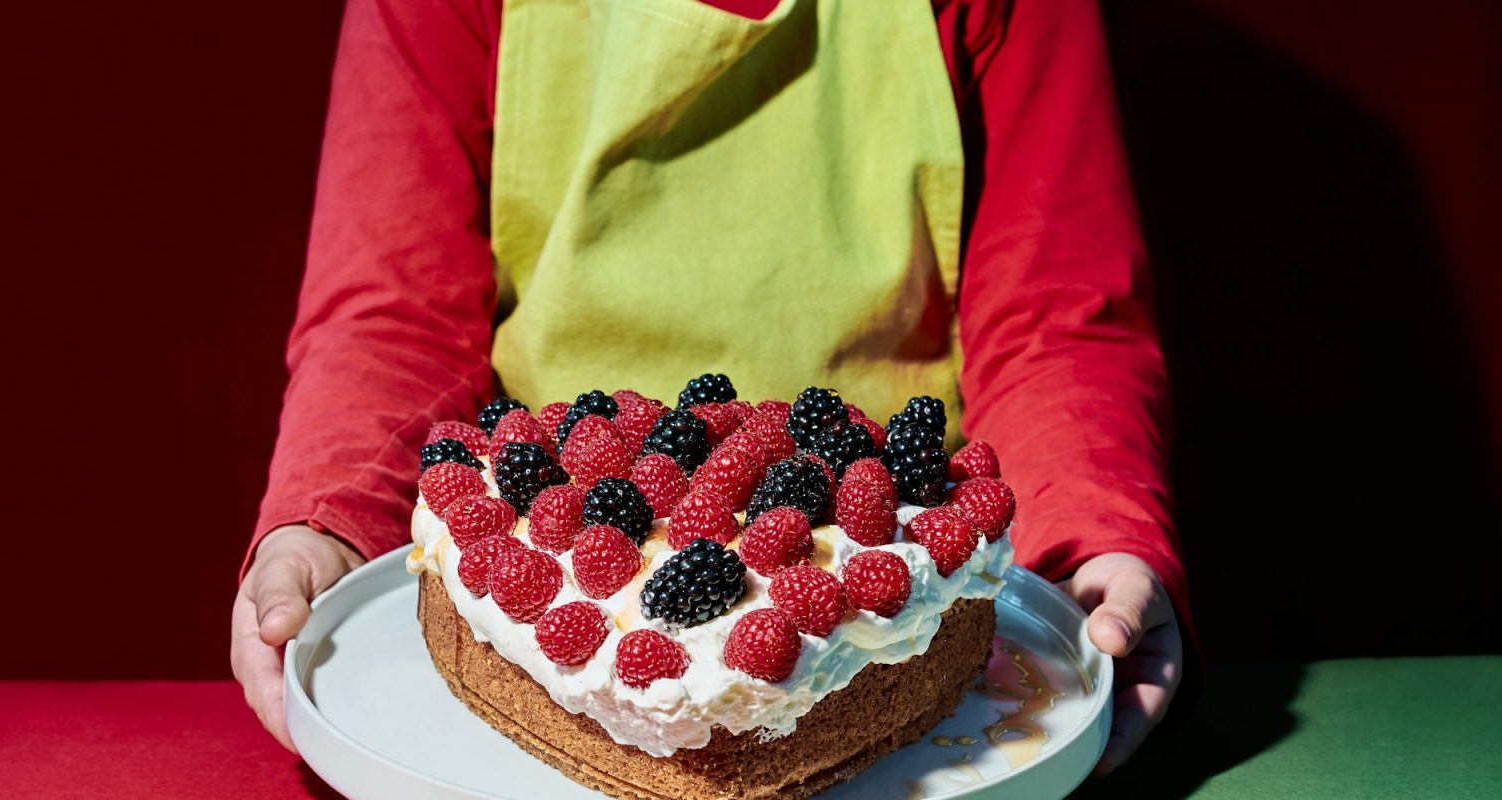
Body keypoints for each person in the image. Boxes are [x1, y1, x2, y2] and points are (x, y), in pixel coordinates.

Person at [231, 0, 1190, 779]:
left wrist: (1091, 534)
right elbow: (393, 311)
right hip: (567, 537)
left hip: (876, 543)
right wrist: (326, 516)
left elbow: (1056, 313)